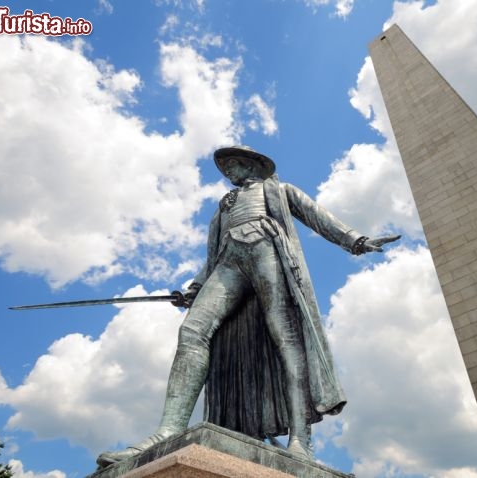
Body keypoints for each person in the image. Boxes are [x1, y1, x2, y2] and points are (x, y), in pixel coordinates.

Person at [97, 146, 400, 466]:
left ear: (252, 165)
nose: (227, 171)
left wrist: (355, 240)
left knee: (286, 339)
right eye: (224, 166)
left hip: (266, 251)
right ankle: (168, 429)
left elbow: (316, 216)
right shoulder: (224, 206)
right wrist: (196, 287)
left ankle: (299, 439)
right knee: (192, 331)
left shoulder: (279, 190)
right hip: (228, 263)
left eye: (232, 164)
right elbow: (212, 255)